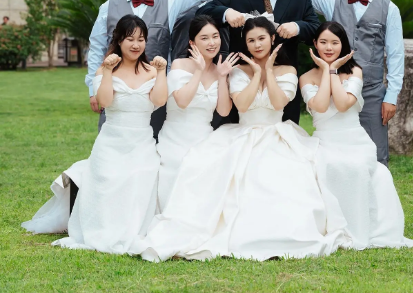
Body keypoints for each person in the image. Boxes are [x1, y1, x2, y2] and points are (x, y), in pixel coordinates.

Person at [135, 17, 349, 261]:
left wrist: (268, 71)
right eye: (251, 40)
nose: (257, 45)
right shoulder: (237, 70)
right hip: (244, 132)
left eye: (262, 38)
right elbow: (243, 105)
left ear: (272, 39)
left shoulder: (288, 70)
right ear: (245, 44)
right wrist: (256, 74)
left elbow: (278, 102)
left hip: (277, 133)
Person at [22, 15, 168, 254]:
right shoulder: (105, 69)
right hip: (112, 141)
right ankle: (105, 229)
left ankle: (132, 229)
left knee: (141, 177)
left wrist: (161, 72)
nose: (136, 45)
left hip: (142, 142)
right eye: (130, 39)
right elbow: (105, 102)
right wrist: (108, 71)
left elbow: (160, 101)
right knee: (108, 179)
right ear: (119, 40)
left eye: (141, 39)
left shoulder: (152, 71)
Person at [87, 0, 252, 136]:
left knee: (154, 142)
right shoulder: (108, 7)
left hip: (156, 89)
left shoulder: (170, 1)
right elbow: (96, 48)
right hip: (116, 89)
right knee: (113, 138)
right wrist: (93, 88)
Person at [284, 0, 404, 166]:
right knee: (336, 157)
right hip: (333, 88)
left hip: (371, 93)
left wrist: (391, 96)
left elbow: (395, 55)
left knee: (375, 156)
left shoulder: (390, 8)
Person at [300, 21, 412, 249]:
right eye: (323, 42)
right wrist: (326, 71)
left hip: (355, 140)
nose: (329, 47)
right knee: (327, 166)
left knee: (363, 169)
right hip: (325, 140)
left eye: (334, 42)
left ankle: (365, 227)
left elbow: (342, 104)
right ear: (315, 44)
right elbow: (320, 106)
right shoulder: (306, 77)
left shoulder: (355, 71)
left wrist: (332, 70)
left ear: (343, 45)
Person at [197, 0, 320, 125]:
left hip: (282, 81)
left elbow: (315, 28)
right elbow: (203, 11)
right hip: (240, 80)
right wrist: (226, 12)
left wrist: (297, 26)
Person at [157, 15, 238, 212]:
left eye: (215, 36)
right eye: (204, 38)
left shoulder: (220, 69)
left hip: (204, 136)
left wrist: (222, 77)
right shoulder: (179, 64)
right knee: (180, 166)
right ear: (192, 42)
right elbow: (183, 101)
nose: (212, 43)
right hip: (176, 136)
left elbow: (223, 110)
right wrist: (199, 71)